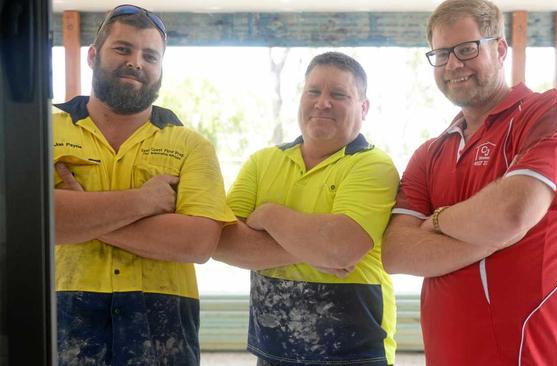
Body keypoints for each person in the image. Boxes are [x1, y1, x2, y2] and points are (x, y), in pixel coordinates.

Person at [381, 1, 557, 365]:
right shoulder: (430, 153)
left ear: (499, 49)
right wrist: (489, 236)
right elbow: (396, 253)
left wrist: (434, 222)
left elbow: (511, 214)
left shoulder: (550, 112)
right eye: (442, 53)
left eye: (466, 49)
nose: (453, 65)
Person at [53, 5, 235, 365]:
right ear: (93, 55)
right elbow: (33, 222)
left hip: (164, 318)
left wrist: (85, 214)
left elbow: (197, 243)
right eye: (123, 49)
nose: (136, 62)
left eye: (149, 55)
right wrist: (142, 201)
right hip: (62, 309)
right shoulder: (42, 131)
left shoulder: (191, 145)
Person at [213, 52, 399, 366]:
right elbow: (222, 243)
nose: (322, 102)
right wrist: (317, 248)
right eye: (313, 91)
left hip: (356, 355)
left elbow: (340, 248)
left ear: (363, 107)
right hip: (272, 352)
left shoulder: (373, 165)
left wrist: (269, 215)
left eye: (338, 94)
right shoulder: (262, 162)